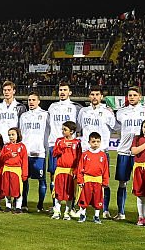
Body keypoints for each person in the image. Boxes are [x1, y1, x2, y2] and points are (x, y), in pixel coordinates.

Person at [113, 88, 145, 220]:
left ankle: (144, 215)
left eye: (134, 95)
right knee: (122, 183)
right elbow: (116, 128)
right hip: (124, 151)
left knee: (144, 185)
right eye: (129, 95)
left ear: (140, 97)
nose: (131, 97)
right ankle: (121, 212)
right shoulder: (120, 112)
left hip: (141, 153)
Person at [76, 87, 117, 215]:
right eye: (92, 94)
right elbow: (79, 127)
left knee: (104, 181)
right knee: (82, 180)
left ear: (101, 97)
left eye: (97, 94)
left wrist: (113, 113)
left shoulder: (107, 111)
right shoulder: (83, 111)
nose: (94, 97)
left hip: (102, 151)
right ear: (89, 96)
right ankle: (81, 208)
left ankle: (104, 209)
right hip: (85, 151)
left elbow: (116, 126)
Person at [46, 82, 81, 199]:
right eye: (60, 90)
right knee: (53, 174)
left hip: (70, 146)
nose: (62, 92)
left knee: (71, 173)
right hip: (54, 144)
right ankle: (54, 202)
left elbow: (79, 125)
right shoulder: (52, 107)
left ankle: (69, 202)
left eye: (65, 90)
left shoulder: (76, 107)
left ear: (70, 92)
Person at [18, 92, 49, 212]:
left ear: (39, 101)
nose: (31, 102)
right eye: (29, 99)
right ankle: (24, 204)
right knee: (24, 179)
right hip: (25, 154)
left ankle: (40, 205)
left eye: (33, 100)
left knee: (41, 180)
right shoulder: (24, 116)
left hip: (39, 153)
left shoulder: (45, 115)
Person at [76, 131, 109, 224]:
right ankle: (82, 214)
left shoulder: (103, 155)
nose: (96, 144)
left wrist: (105, 181)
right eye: (93, 141)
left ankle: (97, 216)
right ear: (89, 142)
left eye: (98, 142)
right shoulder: (85, 154)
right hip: (87, 180)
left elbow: (106, 170)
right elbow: (80, 168)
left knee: (98, 199)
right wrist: (80, 180)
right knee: (84, 198)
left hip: (98, 180)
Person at [51, 121, 81, 220]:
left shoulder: (77, 143)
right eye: (63, 129)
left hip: (71, 171)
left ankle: (67, 212)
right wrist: (62, 147)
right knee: (58, 191)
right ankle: (56, 211)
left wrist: (76, 170)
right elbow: (54, 153)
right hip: (60, 170)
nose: (63, 131)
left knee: (70, 192)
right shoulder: (59, 141)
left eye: (65, 130)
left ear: (71, 131)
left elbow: (79, 158)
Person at [0, 127, 29, 213]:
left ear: (18, 135)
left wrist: (24, 174)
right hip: (7, 169)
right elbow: (1, 158)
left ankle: (18, 207)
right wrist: (9, 155)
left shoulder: (22, 146)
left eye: (13, 135)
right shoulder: (6, 146)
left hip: (16, 170)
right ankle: (8, 206)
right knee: (6, 189)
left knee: (17, 189)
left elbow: (25, 161)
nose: (11, 137)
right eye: (9, 135)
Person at [0, 81, 25, 152]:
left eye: (9, 90)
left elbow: (22, 127)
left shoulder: (20, 107)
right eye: (5, 90)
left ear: (14, 91)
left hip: (13, 142)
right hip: (0, 142)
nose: (6, 92)